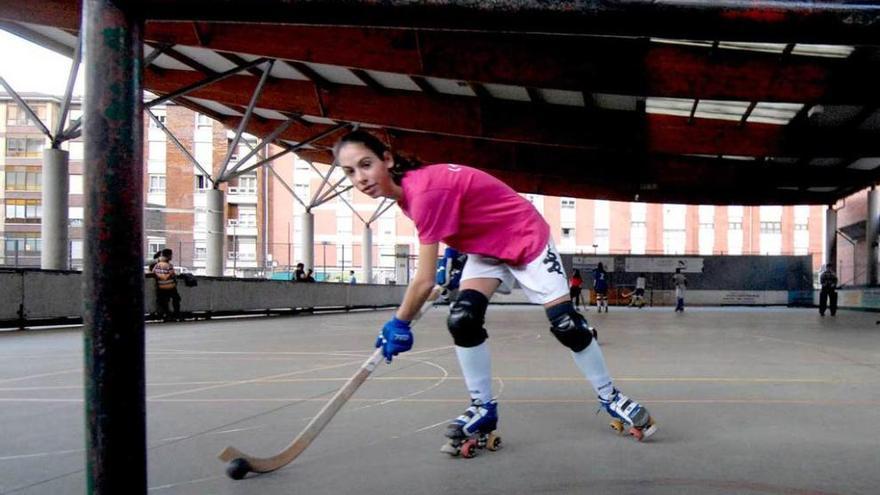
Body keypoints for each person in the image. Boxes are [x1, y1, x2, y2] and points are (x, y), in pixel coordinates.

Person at [334, 130, 655, 453]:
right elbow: (464, 205)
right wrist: (453, 252)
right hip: (486, 249)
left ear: (386, 159)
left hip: (524, 238)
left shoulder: (422, 193)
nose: (360, 178)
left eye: (366, 164)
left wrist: (399, 322)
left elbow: (424, 281)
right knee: (462, 319)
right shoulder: (410, 192)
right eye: (350, 172)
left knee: (566, 324)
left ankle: (611, 396)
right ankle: (482, 408)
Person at [152, 248, 181, 321]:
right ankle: (176, 315)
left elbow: (153, 273)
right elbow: (173, 275)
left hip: (161, 286)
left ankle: (167, 315)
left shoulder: (157, 265)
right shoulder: (169, 265)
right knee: (176, 299)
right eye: (171, 255)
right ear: (168, 256)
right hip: (170, 286)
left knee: (164, 302)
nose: (171, 257)